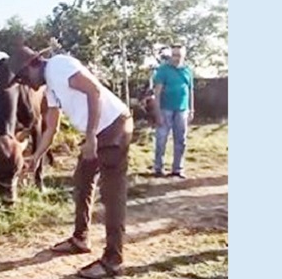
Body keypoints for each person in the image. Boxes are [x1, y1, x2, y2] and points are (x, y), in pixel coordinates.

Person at [16, 49, 132, 279]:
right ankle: (80, 239)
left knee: (111, 194)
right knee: (82, 181)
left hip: (113, 128)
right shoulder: (51, 87)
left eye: (23, 77)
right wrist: (37, 156)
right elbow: (52, 128)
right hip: (99, 132)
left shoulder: (59, 65)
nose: (25, 84)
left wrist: (91, 137)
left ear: (33, 65)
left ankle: (113, 261)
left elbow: (94, 91)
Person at [152, 44, 195, 178]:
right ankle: (158, 168)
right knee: (161, 139)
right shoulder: (163, 70)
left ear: (184, 56)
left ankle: (178, 169)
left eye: (179, 55)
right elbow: (157, 93)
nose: (176, 58)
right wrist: (157, 112)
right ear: (171, 55)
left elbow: (190, 91)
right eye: (174, 55)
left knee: (181, 140)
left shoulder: (188, 70)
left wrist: (191, 109)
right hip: (165, 109)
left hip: (182, 110)